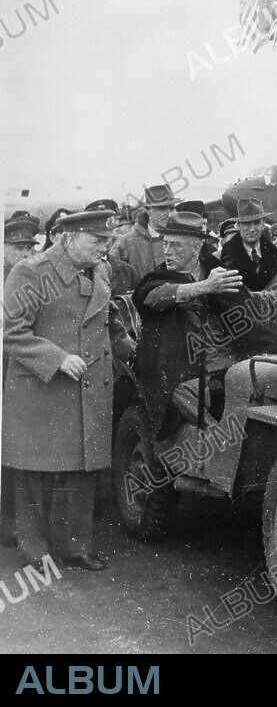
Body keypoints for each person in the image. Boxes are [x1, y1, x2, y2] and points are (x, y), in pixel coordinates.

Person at [2, 210, 135, 570]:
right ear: (69, 237)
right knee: (36, 472)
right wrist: (57, 358)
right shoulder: (31, 271)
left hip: (88, 385)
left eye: (108, 242)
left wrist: (125, 345)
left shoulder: (100, 270)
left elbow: (107, 319)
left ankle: (75, 546)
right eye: (98, 241)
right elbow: (11, 332)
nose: (105, 250)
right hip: (42, 388)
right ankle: (35, 550)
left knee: (82, 469)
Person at [132, 212, 277, 436]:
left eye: (176, 246)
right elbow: (153, 297)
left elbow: (245, 319)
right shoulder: (159, 276)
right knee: (180, 392)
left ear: (196, 247)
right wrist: (204, 287)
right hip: (179, 366)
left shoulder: (219, 272)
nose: (167, 251)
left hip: (228, 360)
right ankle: (219, 437)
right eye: (165, 244)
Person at [1, 214, 41, 548]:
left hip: (18, 376)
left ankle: (13, 520)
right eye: (17, 246)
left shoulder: (32, 279)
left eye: (30, 246)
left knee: (17, 449)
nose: (25, 252)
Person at [220, 197, 277, 291]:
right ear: (238, 225)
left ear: (263, 224)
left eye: (257, 223)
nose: (252, 229)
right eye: (247, 223)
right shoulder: (222, 259)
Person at [111, 184, 179, 278]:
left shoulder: (179, 240)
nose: (169, 214)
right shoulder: (125, 243)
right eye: (162, 208)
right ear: (147, 210)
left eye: (171, 208)